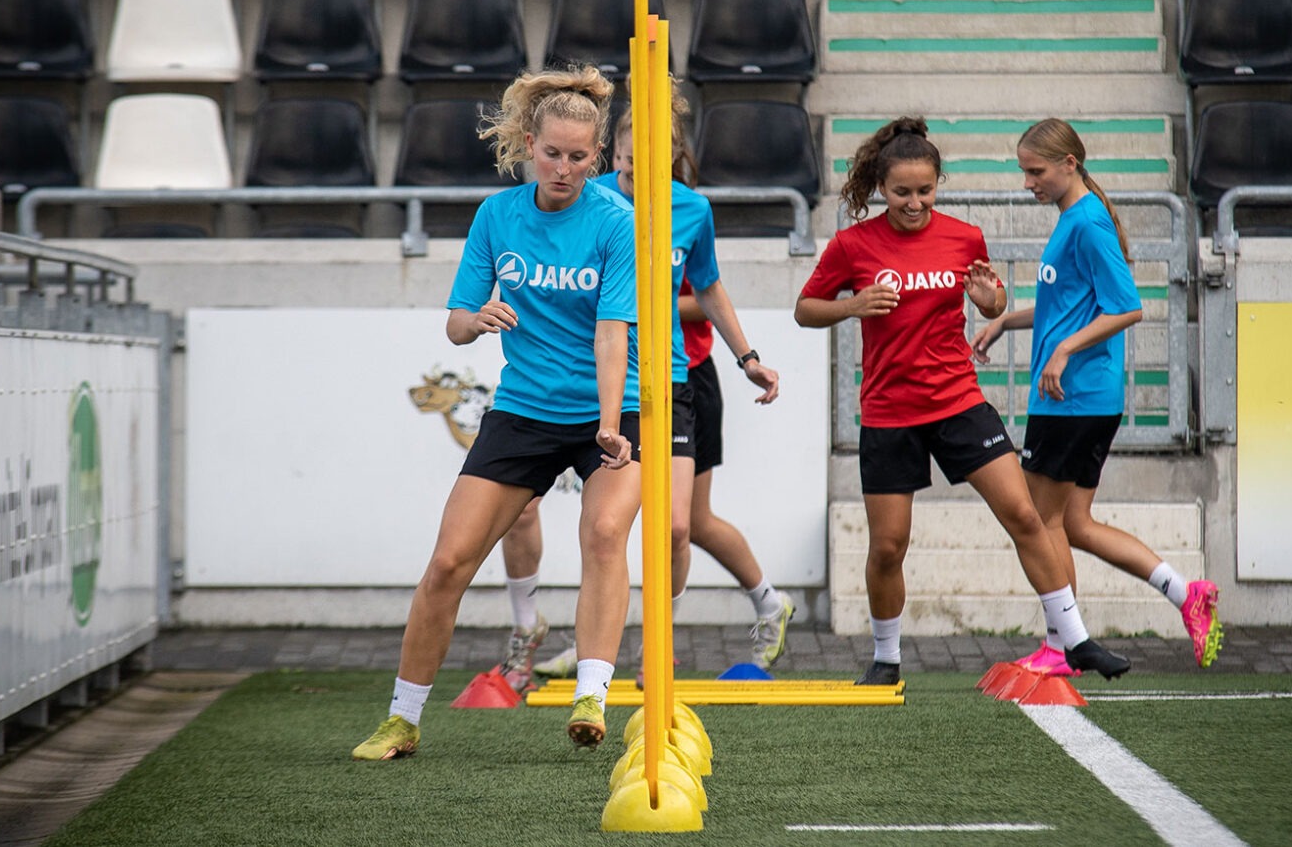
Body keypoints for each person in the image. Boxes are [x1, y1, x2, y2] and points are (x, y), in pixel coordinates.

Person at [352, 66, 640, 760]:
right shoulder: (496, 216)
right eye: (553, 153)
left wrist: (608, 424)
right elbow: (454, 324)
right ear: (527, 144)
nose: (565, 168)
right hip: (523, 411)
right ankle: (403, 719)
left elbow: (612, 335)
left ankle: (592, 695)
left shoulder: (615, 223)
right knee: (449, 563)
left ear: (598, 158)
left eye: (579, 157)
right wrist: (476, 318)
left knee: (603, 532)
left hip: (614, 407)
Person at [794, 117, 1130, 685]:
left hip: (958, 401)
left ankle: (1075, 640)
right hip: (889, 411)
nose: (915, 202)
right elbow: (806, 309)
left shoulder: (963, 237)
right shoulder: (853, 244)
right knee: (888, 547)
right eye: (902, 192)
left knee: (1025, 514)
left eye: (926, 190)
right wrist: (853, 306)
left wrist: (989, 300)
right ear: (881, 188)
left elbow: (994, 303)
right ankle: (886, 658)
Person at [499, 90, 794, 690]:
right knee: (562, 517)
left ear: (674, 158)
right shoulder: (590, 201)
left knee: (678, 527)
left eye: (650, 168)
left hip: (670, 379)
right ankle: (559, 642)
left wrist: (749, 357)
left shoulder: (691, 211)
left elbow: (708, 289)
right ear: (612, 156)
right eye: (629, 165)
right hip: (584, 382)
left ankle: (658, 647)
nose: (637, 177)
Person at [971, 118, 1222, 672]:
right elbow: (1070, 307)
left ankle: (1062, 646)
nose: (1027, 182)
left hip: (1072, 397)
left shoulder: (1086, 223)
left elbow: (1127, 306)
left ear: (1069, 164)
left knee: (1040, 523)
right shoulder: (1073, 218)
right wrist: (1004, 322)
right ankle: (1186, 594)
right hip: (1081, 399)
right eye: (1023, 171)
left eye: (1034, 172)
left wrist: (1061, 353)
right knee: (1074, 523)